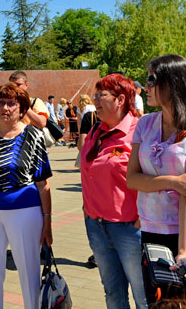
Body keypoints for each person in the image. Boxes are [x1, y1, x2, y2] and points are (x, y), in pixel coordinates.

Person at [0, 83, 52, 309]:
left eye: (11, 103)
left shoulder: (33, 135)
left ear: (22, 108)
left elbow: (43, 184)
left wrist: (47, 221)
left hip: (24, 212)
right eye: (1, 103)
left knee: (28, 272)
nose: (5, 108)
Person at [80, 74, 147, 308]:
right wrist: (87, 211)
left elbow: (150, 176)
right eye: (95, 95)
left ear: (120, 99)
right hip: (96, 226)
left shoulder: (139, 131)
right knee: (113, 293)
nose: (95, 100)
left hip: (129, 228)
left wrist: (141, 220)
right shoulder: (95, 130)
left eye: (101, 95)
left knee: (143, 295)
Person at [126, 55, 186, 302]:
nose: (146, 86)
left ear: (172, 83)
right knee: (157, 302)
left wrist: (183, 249)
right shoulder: (145, 124)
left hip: (181, 233)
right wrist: (172, 182)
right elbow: (132, 179)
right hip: (150, 230)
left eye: (151, 80)